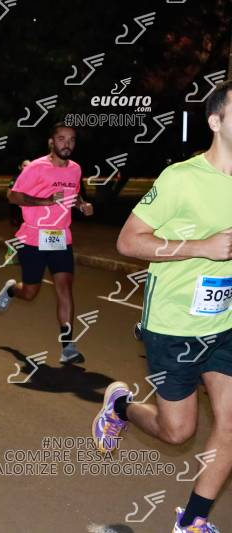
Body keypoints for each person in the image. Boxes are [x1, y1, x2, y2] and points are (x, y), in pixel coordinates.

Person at [92, 81, 232, 532]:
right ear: (215, 121)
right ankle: (120, 407)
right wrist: (202, 247)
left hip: (225, 324)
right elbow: (128, 241)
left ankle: (191, 522)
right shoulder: (181, 178)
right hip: (174, 325)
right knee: (178, 431)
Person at [0, 123, 94, 364]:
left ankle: (68, 346)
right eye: (61, 139)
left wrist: (82, 204)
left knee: (65, 288)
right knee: (30, 292)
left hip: (61, 237)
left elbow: (73, 193)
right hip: (33, 238)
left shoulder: (76, 169)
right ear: (51, 141)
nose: (67, 144)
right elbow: (12, 196)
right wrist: (44, 201)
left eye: (71, 140)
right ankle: (12, 290)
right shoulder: (36, 168)